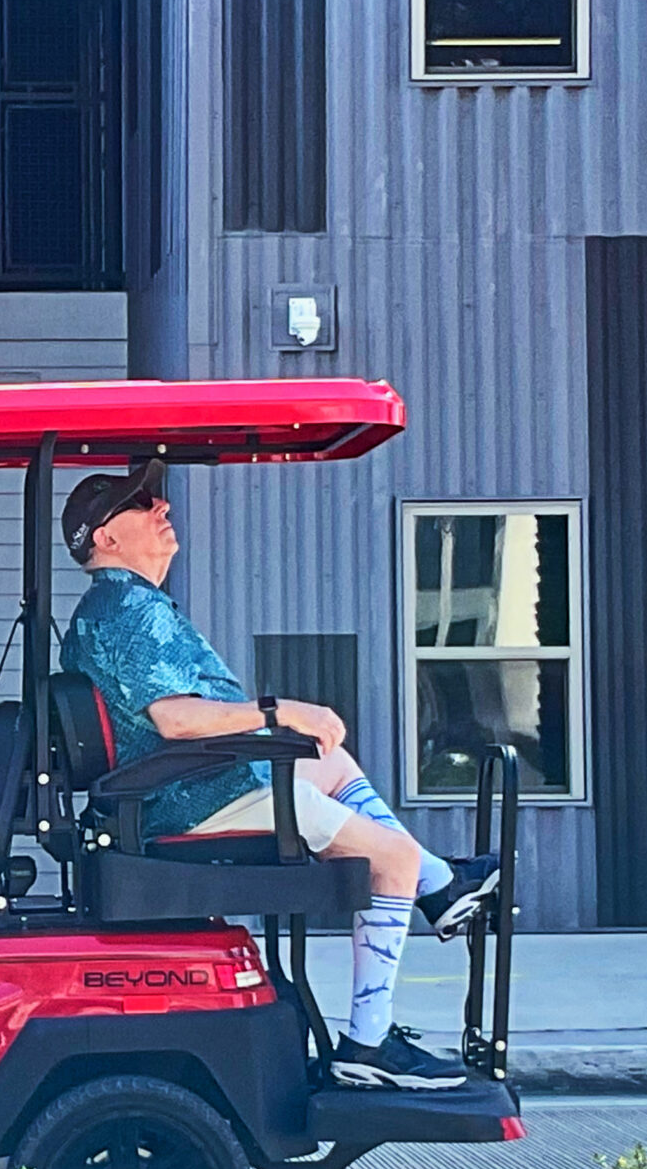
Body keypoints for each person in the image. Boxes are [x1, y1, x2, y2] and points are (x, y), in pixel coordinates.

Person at [59, 463, 494, 1091]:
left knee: (331, 761)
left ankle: (442, 888)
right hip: (194, 796)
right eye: (141, 505)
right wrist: (281, 711)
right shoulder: (128, 608)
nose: (161, 508)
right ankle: (369, 1042)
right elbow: (176, 719)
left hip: (188, 787)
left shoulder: (119, 606)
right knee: (390, 858)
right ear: (106, 538)